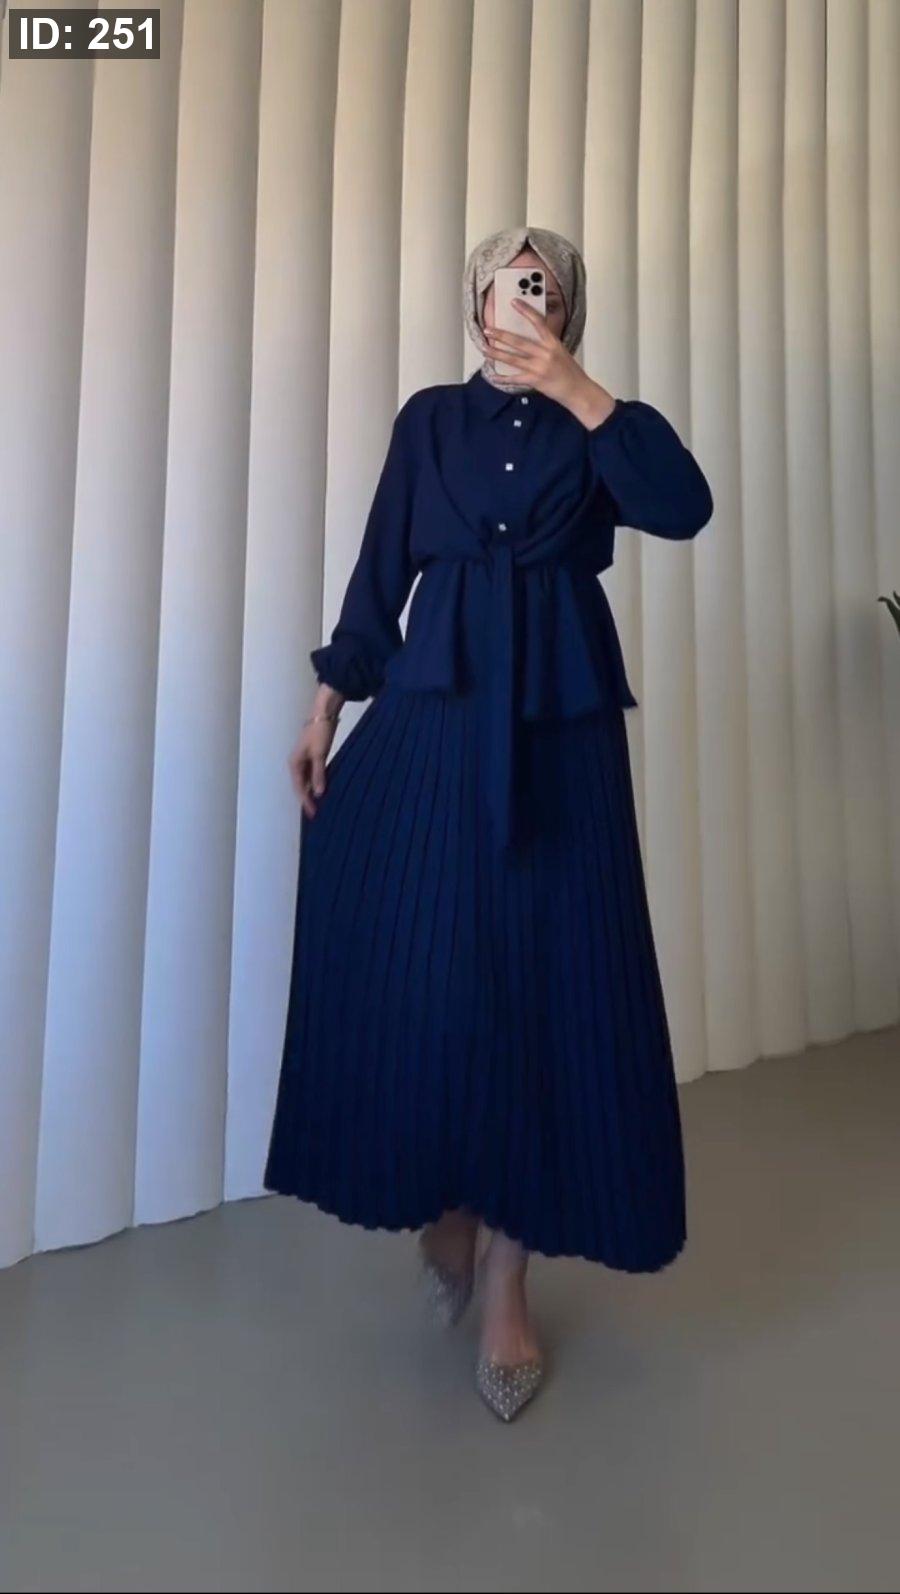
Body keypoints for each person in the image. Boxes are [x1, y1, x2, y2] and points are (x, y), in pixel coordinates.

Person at [264, 225, 714, 1423]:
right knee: (427, 968)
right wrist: (325, 706)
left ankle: (510, 1279)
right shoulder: (429, 422)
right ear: (473, 305)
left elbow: (685, 508)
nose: (521, 302)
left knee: (550, 987)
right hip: (437, 713)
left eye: (542, 287)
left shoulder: (603, 427)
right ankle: (447, 1199)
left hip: (558, 731)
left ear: (567, 308)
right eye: (505, 286)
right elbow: (381, 573)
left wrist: (580, 389)